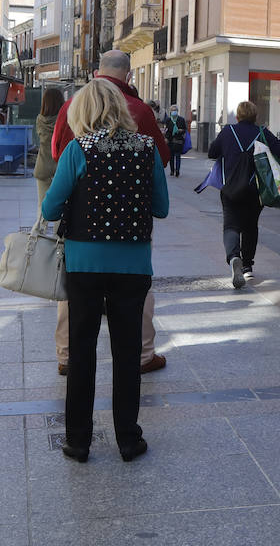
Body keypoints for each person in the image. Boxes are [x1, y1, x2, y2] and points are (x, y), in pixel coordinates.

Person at [41, 79, 168, 463]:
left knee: (82, 352)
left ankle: (78, 441)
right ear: (122, 109)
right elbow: (161, 208)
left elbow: (49, 209)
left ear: (83, 111)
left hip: (84, 265)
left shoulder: (78, 149)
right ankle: (128, 439)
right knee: (128, 354)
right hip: (132, 266)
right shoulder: (146, 149)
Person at [52, 51, 169, 376]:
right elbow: (161, 158)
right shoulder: (142, 111)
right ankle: (143, 355)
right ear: (129, 76)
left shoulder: (72, 106)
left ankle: (66, 355)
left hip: (82, 229)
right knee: (137, 294)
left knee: (71, 294)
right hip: (131, 226)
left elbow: (56, 151)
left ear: (95, 72)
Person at [208, 100, 280, 288]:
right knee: (251, 226)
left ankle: (234, 256)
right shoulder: (261, 133)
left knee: (231, 225)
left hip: (230, 189)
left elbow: (212, 152)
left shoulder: (228, 131)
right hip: (254, 190)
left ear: (237, 116)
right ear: (255, 117)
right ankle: (248, 265)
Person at [34, 88, 65, 207]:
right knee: (61, 206)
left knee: (42, 206)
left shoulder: (39, 120)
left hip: (43, 167)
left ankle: (40, 226)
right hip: (60, 168)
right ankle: (58, 227)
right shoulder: (65, 120)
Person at [165, 104, 188, 177]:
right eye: (172, 110)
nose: (174, 112)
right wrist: (166, 138)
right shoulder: (168, 120)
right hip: (170, 140)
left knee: (178, 156)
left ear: (177, 111)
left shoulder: (181, 119)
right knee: (171, 157)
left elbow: (185, 129)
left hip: (178, 140)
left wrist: (181, 130)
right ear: (170, 111)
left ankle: (177, 170)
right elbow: (167, 130)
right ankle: (172, 170)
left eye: (175, 110)